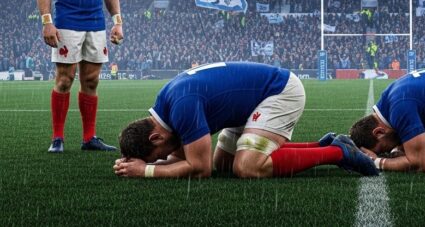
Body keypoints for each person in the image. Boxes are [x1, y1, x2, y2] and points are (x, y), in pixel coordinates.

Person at [114, 62, 378, 179]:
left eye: (157, 153)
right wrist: (145, 162)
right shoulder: (167, 107)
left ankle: (337, 152)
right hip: (250, 103)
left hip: (279, 91)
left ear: (155, 137)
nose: (163, 156)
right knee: (225, 165)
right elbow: (182, 159)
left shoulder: (181, 107)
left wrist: (147, 170)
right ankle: (321, 145)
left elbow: (199, 168)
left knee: (247, 168)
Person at [37, 0, 124, 153]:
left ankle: (89, 139)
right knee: (64, 80)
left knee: (91, 79)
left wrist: (117, 21)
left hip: (95, 22)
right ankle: (57, 139)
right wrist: (47, 21)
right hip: (67, 22)